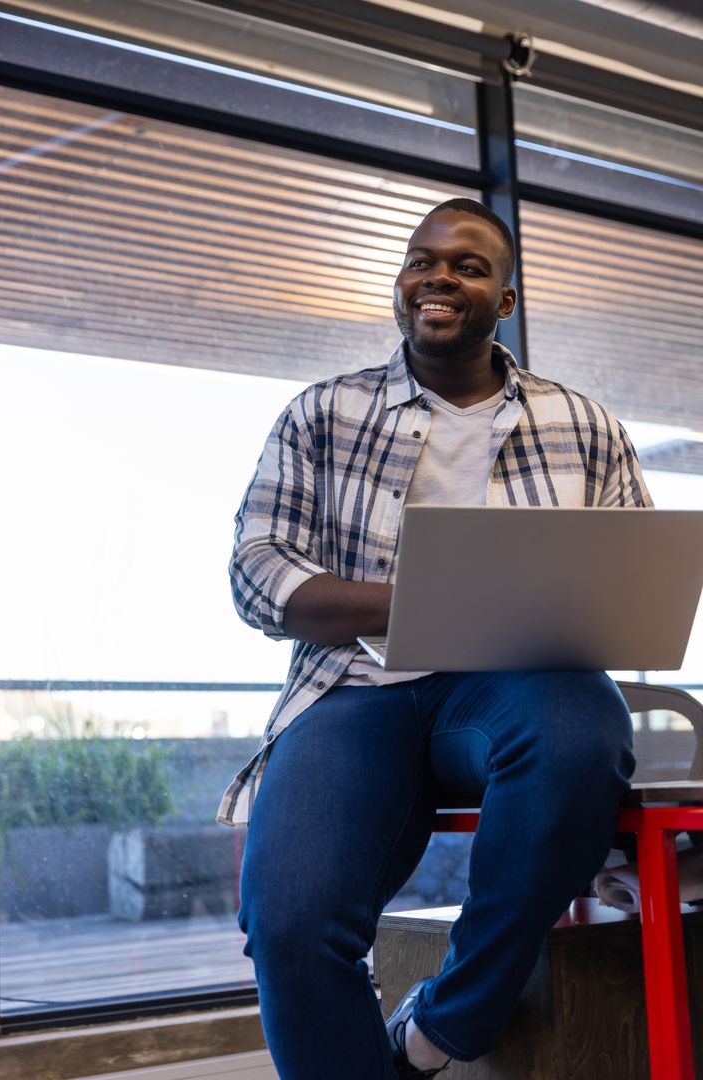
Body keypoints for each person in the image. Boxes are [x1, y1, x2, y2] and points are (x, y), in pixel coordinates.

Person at [218, 198, 652, 1079]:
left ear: (508, 297)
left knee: (582, 728)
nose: (438, 278)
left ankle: (445, 1026)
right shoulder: (322, 414)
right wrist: (418, 600)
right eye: (422, 261)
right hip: (355, 690)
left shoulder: (586, 424)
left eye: (467, 266)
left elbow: (630, 573)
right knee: (290, 923)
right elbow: (257, 573)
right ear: (401, 281)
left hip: (516, 689)